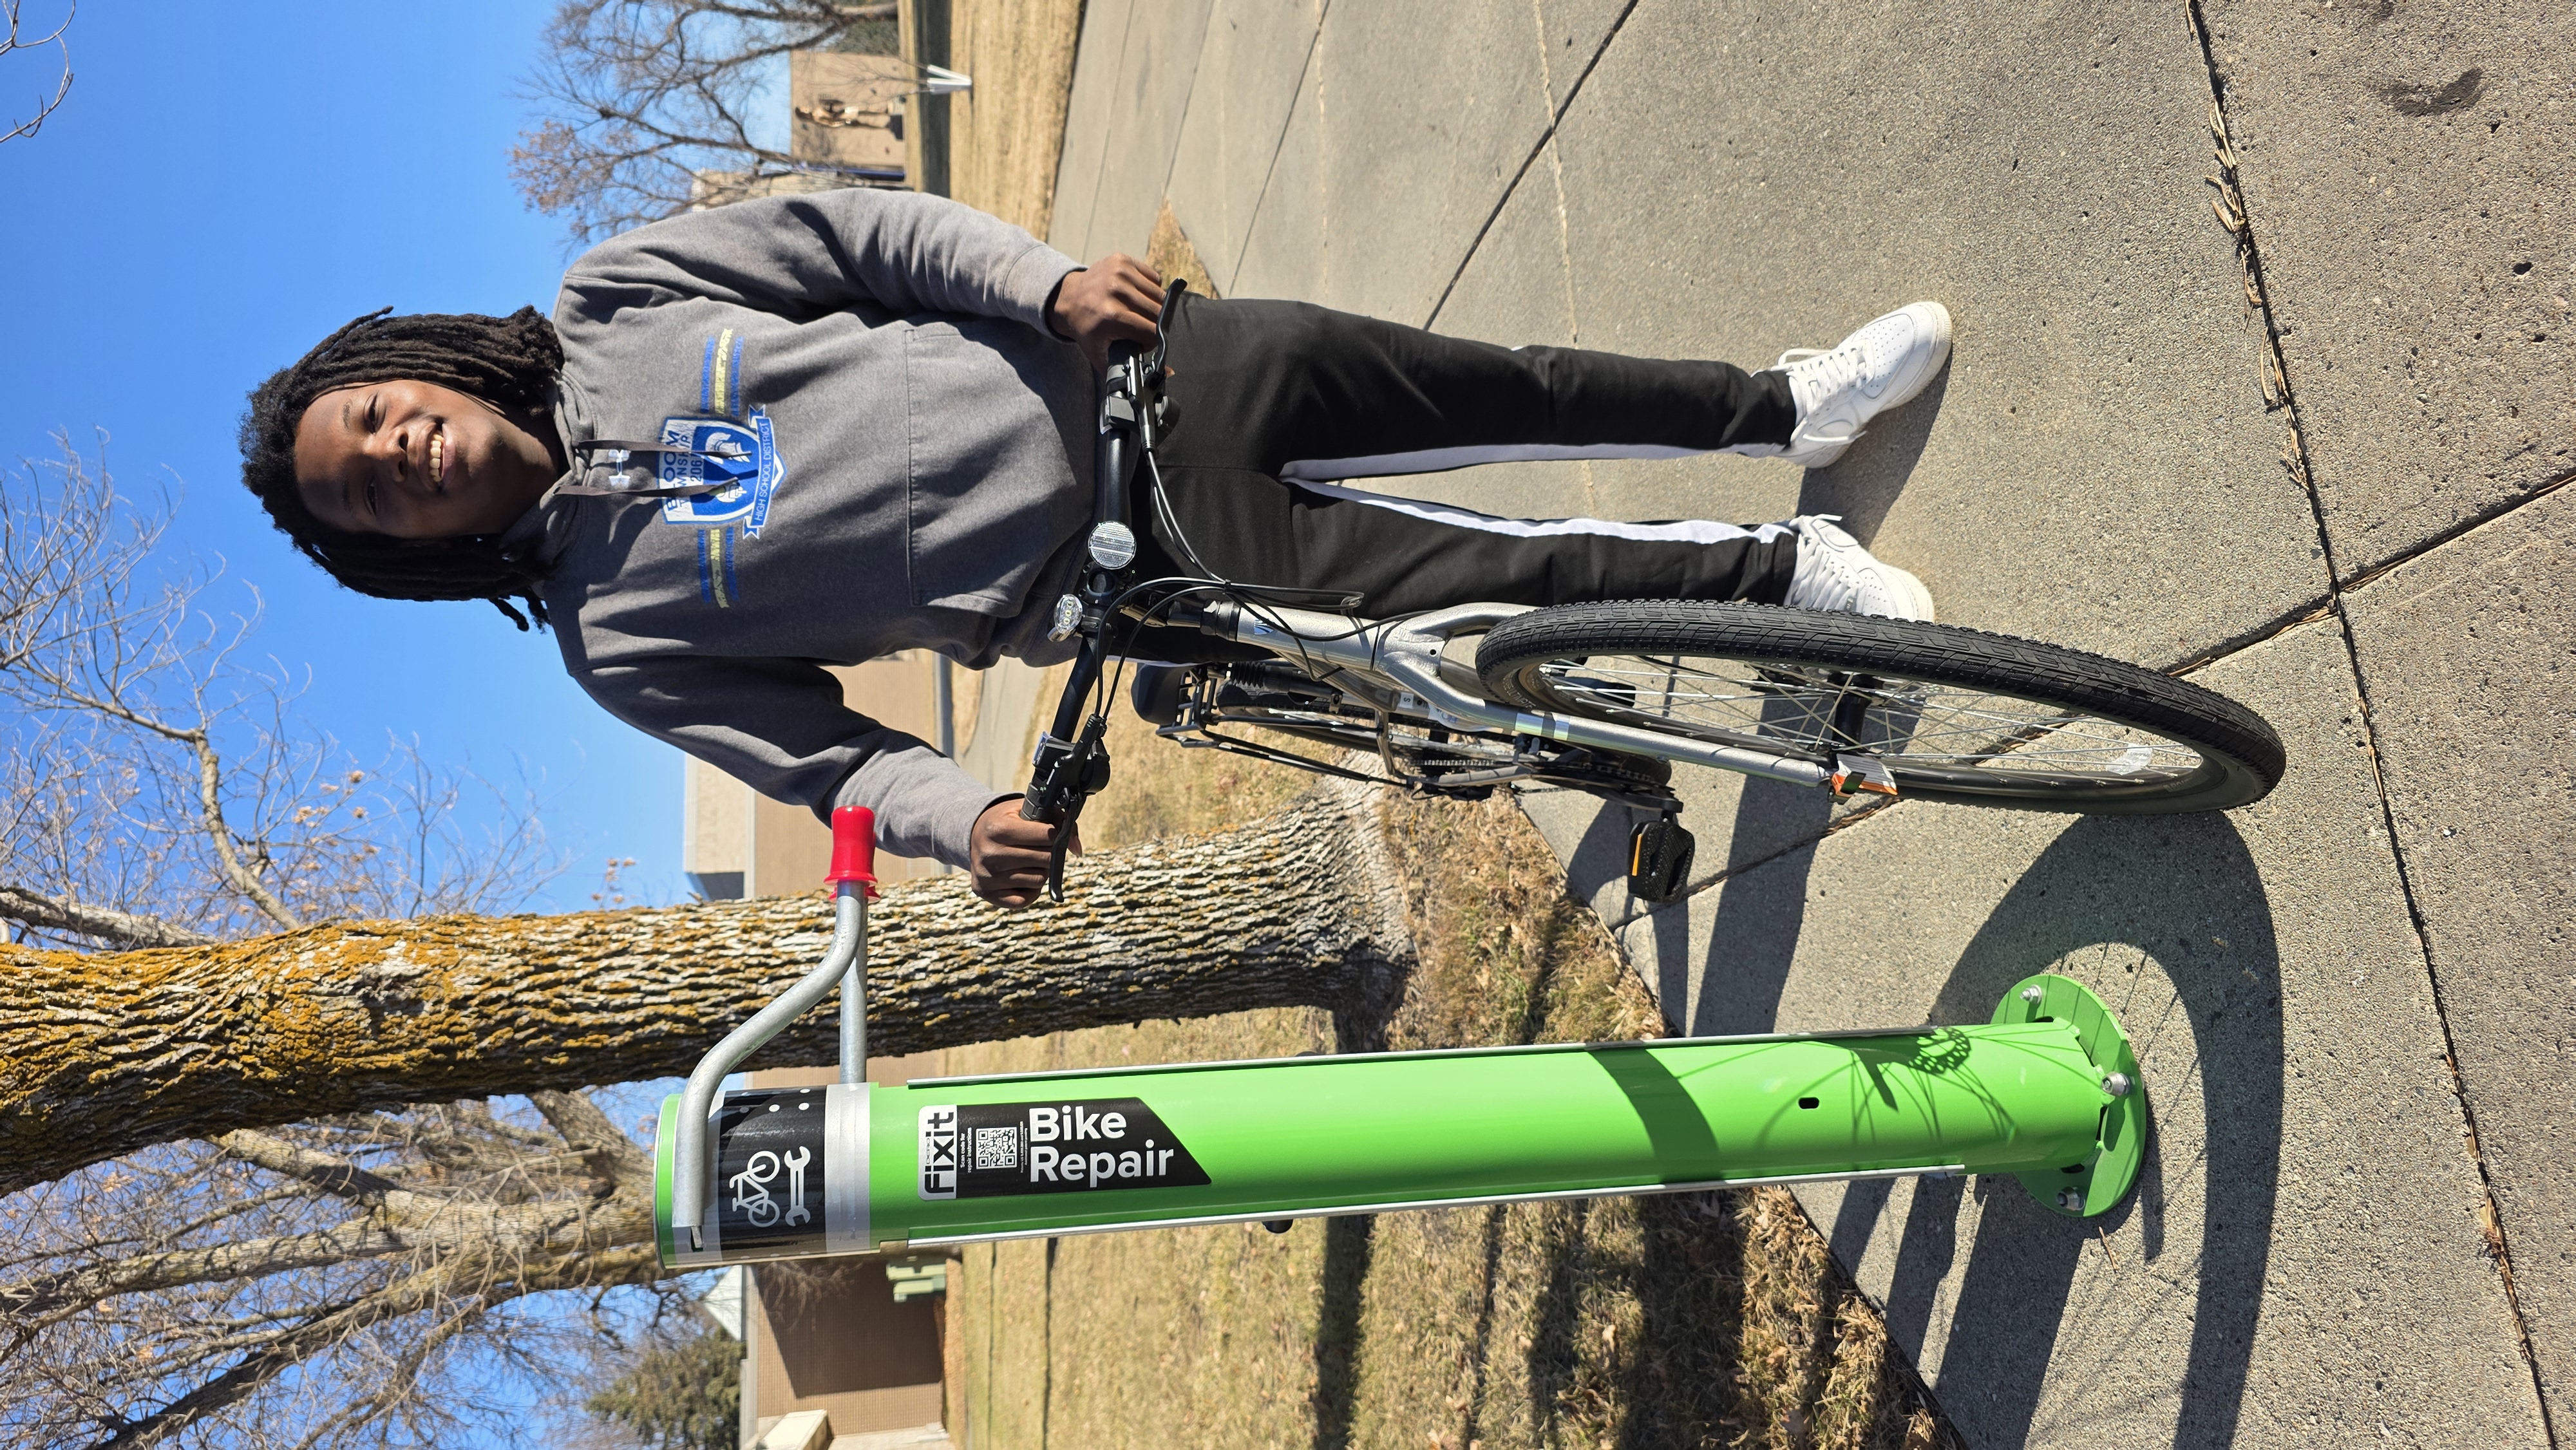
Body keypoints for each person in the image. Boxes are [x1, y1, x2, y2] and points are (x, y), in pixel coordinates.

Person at [240, 189, 1951, 908]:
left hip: (1147, 359)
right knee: (1505, 580)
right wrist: (954, 815)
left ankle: (1786, 404)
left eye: (377, 420)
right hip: (1145, 562)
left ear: (407, 367)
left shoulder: (611, 297)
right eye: (375, 495)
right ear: (409, 550)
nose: (402, 456)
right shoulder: (612, 643)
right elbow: (826, 762)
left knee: (1508, 383)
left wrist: (1035, 280)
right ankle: (1790, 583)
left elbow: (856, 235)